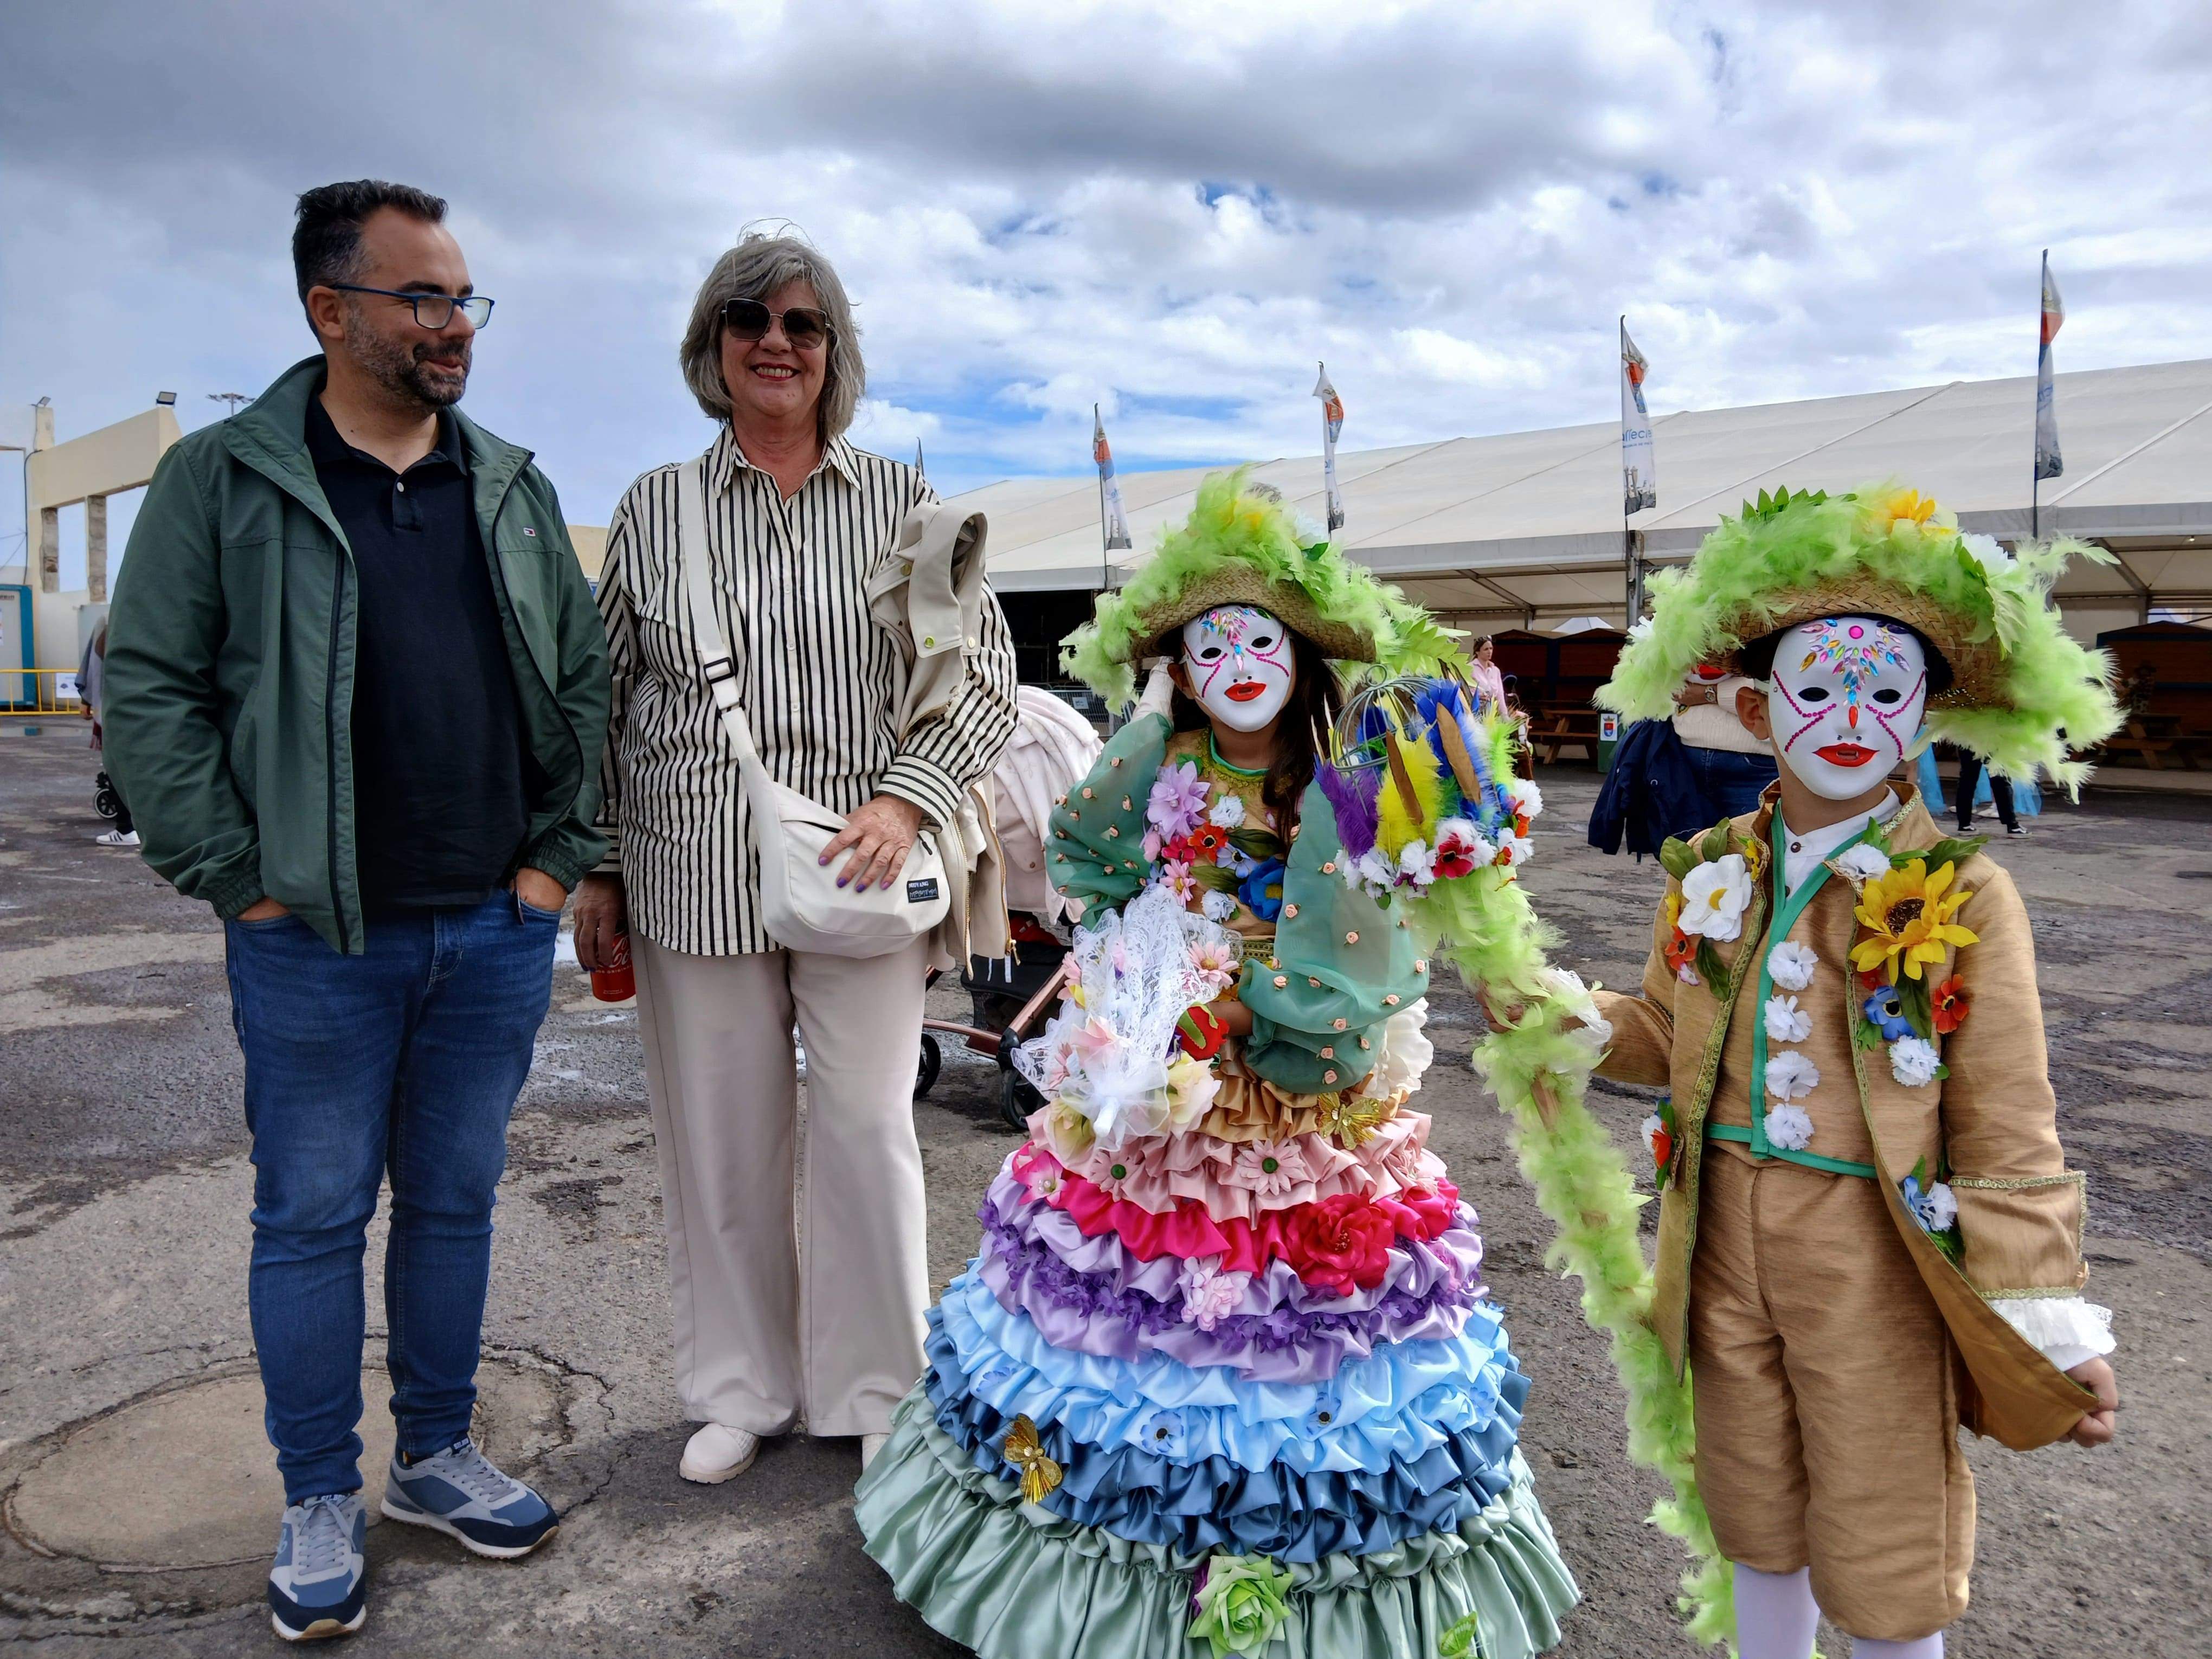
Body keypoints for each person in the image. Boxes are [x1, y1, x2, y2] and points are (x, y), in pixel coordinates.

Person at [854, 473, 1580, 1659]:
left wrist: (1255, 1007)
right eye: (1211, 644)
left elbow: (1380, 943)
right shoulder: (1156, 758)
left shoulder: (1352, 782)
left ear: (1299, 653)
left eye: (1260, 637)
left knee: (1290, 1318)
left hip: (1295, 1076)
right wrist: (1149, 960)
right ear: (1182, 670)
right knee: (1135, 1311)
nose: (1238, 661)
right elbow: (1089, 859)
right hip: (1168, 1069)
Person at [103, 180, 608, 1643]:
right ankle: (319, 1489)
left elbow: (580, 684)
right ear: (333, 309)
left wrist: (548, 866)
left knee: (452, 1204)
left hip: (493, 925)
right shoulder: (226, 478)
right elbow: (147, 686)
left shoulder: (508, 482)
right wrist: (237, 877)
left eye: (465, 298)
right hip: (314, 939)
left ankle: (435, 1457)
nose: (456, 324)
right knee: (313, 1215)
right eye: (425, 297)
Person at [1589, 487, 2123, 1659]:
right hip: (1720, 1233)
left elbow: (2009, 1113)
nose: (1849, 715)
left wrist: (2049, 1312)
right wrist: (1565, 1017)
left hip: (1870, 1251)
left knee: (1883, 1528)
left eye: (1885, 690)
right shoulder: (1713, 867)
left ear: (1927, 717)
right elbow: (1661, 1031)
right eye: (1818, 687)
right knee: (1753, 1508)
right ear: (1752, 706)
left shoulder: (1965, 892)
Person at [570, 233, 1017, 1487]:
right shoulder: (655, 510)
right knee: (721, 1138)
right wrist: (596, 866)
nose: (776, 341)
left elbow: (980, 677)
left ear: (835, 353)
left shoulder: (900, 503)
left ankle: (876, 1387)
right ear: (711, 347)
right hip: (687, 863)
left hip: (866, 871)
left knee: (869, 1129)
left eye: (802, 324)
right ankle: (739, 1388)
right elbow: (603, 695)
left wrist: (907, 796)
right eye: (747, 319)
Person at [78, 622, 138, 848]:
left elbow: (94, 665)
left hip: (119, 710)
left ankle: (126, 829)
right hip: (153, 709)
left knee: (118, 768)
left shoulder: (108, 620)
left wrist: (86, 700)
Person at [1467, 632, 1508, 713]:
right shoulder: (1469, 668)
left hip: (1492, 713)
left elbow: (1500, 696)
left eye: (1491, 648)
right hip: (1475, 711)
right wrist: (1477, 696)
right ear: (1477, 652)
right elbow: (1463, 691)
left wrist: (1505, 715)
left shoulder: (1496, 671)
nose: (1490, 652)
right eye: (1486, 649)